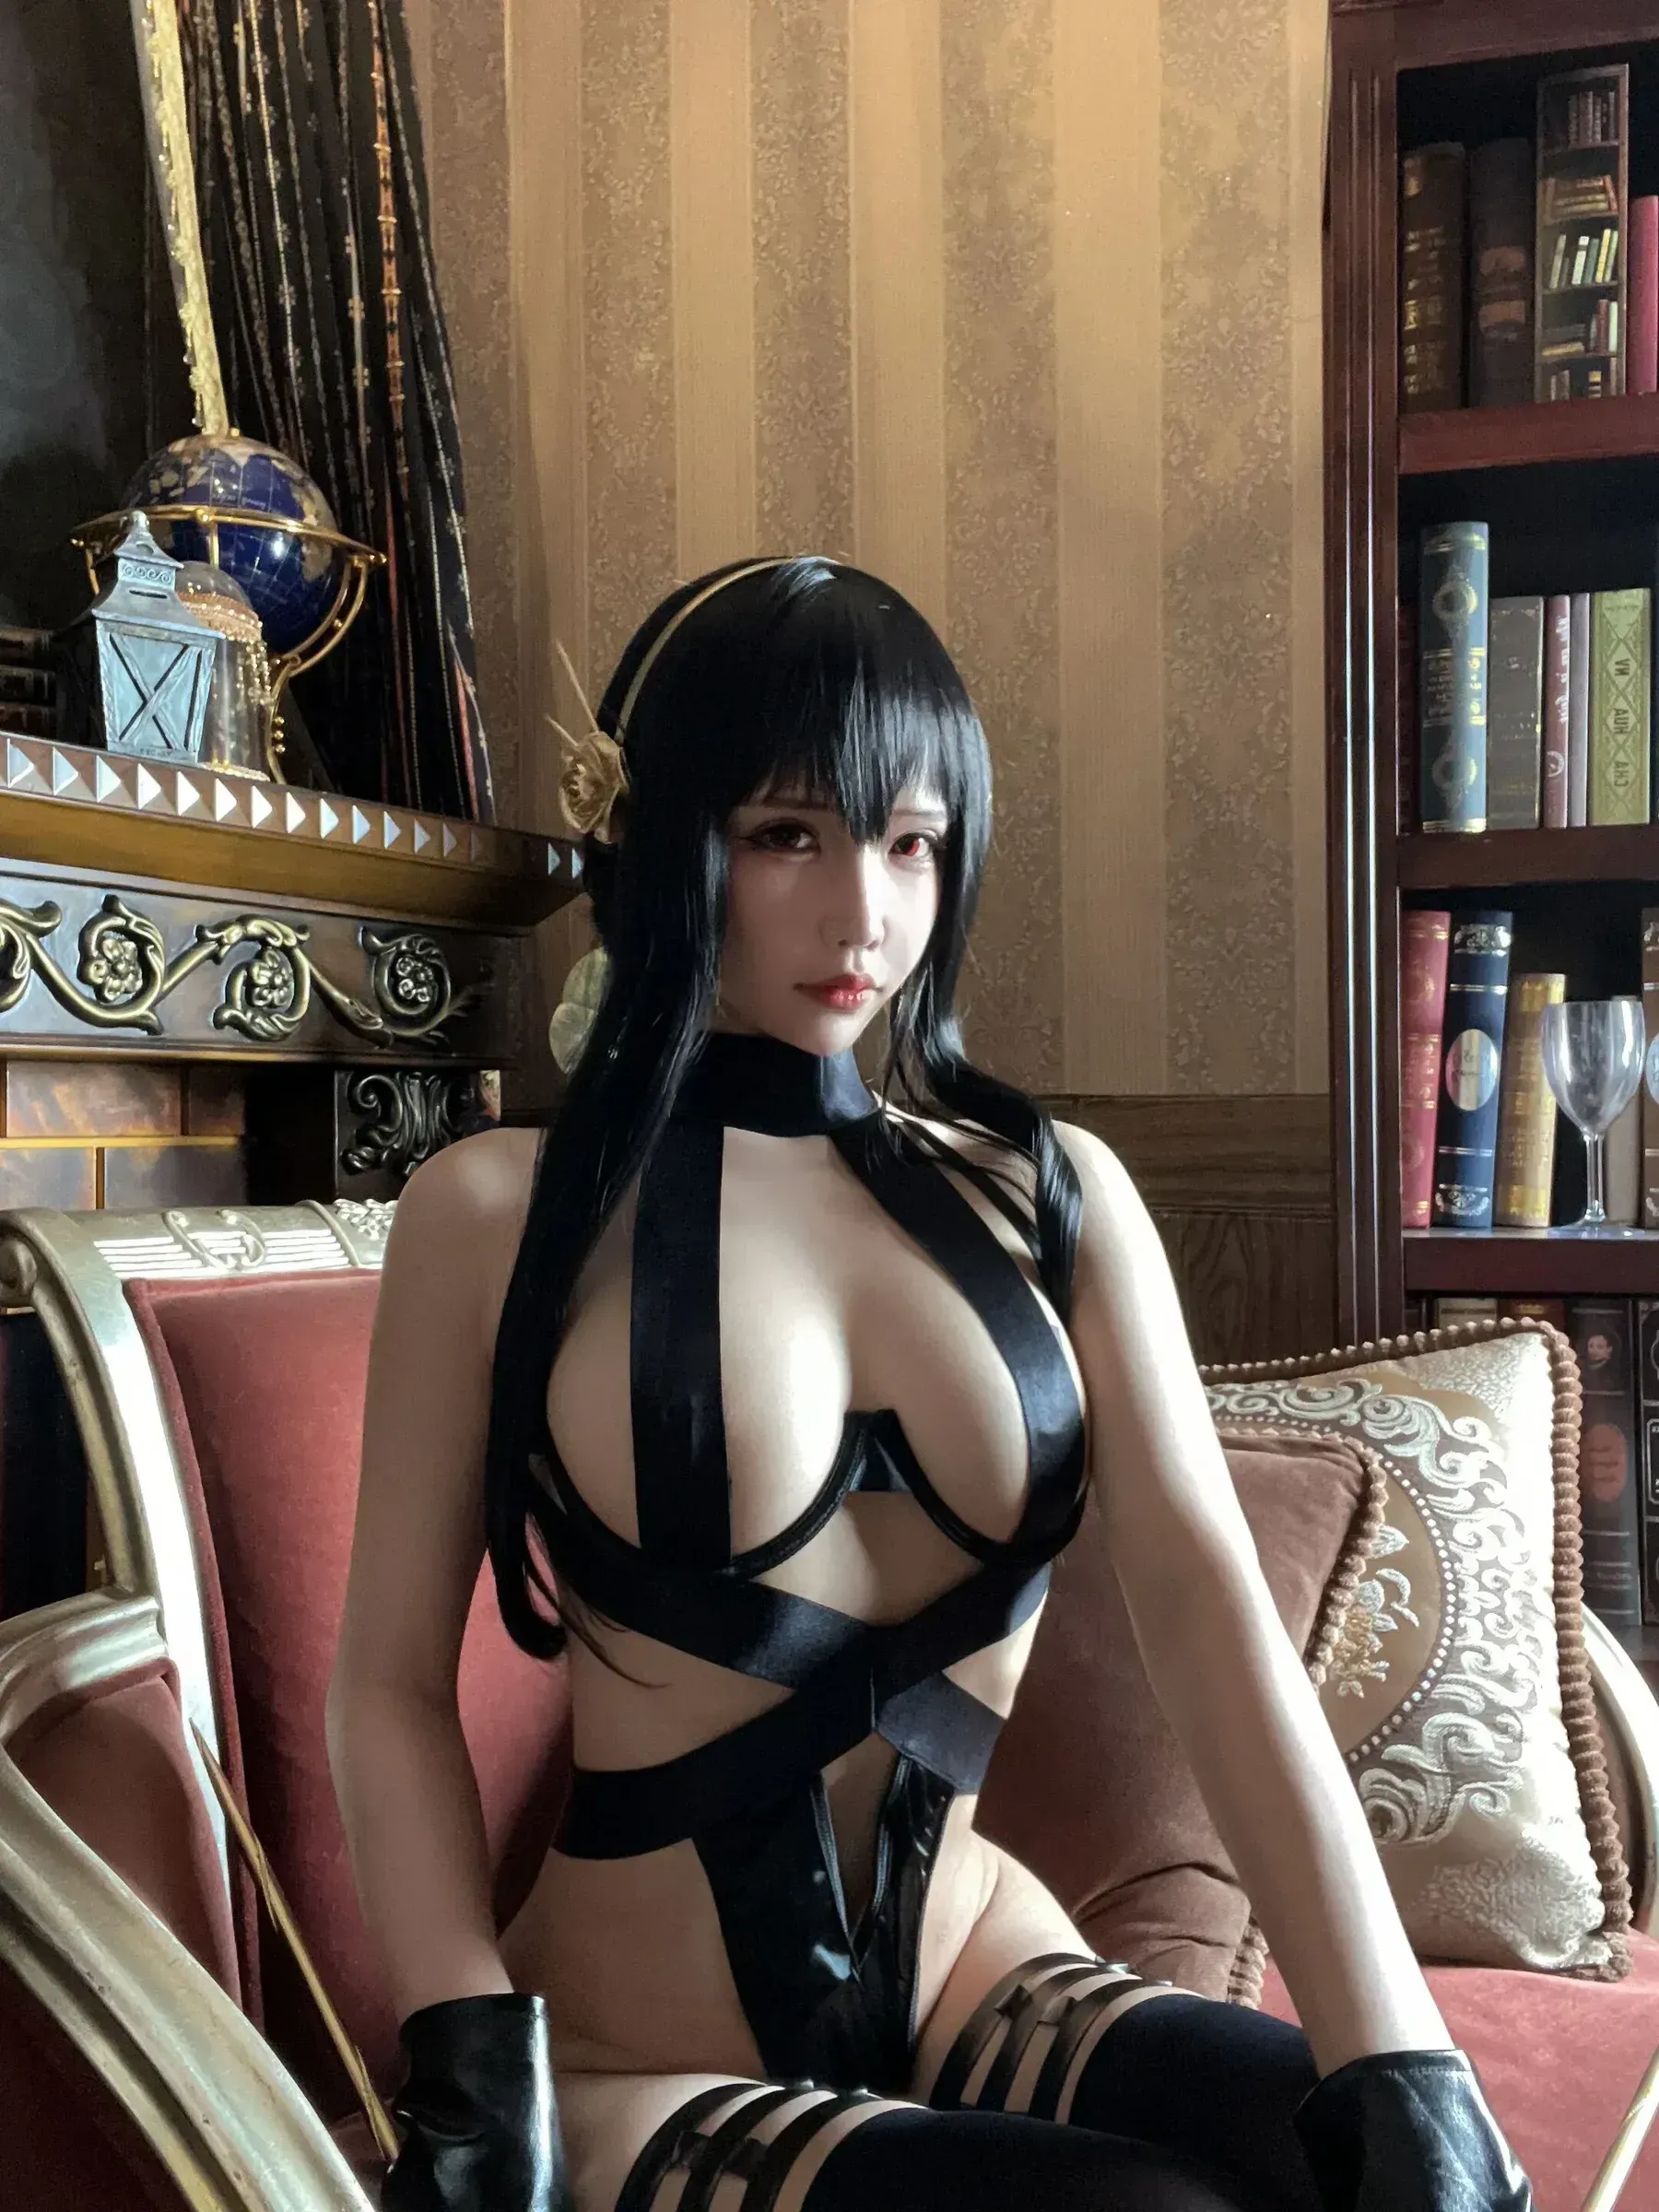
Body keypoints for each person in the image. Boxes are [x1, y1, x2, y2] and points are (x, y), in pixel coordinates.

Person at [327, 557, 1532, 2212]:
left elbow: (1213, 1621)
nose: (864, 917)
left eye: (911, 843)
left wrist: (1403, 2064)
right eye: (787, 835)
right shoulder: (493, 1212)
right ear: (659, 837)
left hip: (979, 1971)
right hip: (637, 2051)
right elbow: (387, 1689)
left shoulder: (1052, 1193)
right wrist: (471, 2067)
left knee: (1384, 2174)